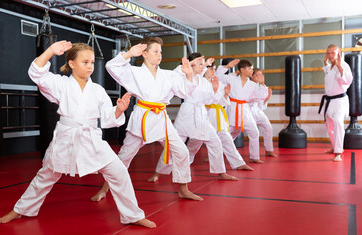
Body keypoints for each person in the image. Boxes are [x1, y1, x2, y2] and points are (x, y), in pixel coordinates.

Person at [0, 41, 156, 228]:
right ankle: (21, 210)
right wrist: (50, 51)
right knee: (45, 177)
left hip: (92, 139)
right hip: (66, 138)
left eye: (91, 63)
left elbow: (107, 117)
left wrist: (119, 110)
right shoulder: (61, 84)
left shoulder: (97, 90)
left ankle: (133, 215)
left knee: (119, 172)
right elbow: (36, 73)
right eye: (85, 62)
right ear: (72, 64)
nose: (90, 67)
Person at [97, 37, 203, 202]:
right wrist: (129, 54)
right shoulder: (134, 72)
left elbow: (185, 92)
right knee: (125, 156)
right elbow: (111, 66)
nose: (159, 55)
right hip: (143, 117)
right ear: (144, 53)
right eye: (155, 51)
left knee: (181, 151)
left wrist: (189, 75)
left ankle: (183, 189)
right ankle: (104, 189)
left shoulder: (167, 75)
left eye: (160, 51)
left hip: (161, 118)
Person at [148, 54, 240, 183]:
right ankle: (158, 172)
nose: (203, 67)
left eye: (204, 65)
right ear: (192, 65)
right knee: (172, 146)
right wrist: (188, 65)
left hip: (201, 115)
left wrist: (215, 90)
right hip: (186, 115)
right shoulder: (183, 76)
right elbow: (174, 74)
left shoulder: (204, 81)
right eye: (200, 64)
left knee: (215, 142)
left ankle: (221, 172)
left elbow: (211, 100)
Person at [183, 62, 254, 172]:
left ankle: (239, 163)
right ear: (204, 69)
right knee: (194, 143)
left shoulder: (219, 83)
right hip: (204, 115)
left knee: (227, 140)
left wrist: (225, 94)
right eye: (210, 68)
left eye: (214, 69)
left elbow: (221, 101)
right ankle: (184, 162)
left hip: (217, 115)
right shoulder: (199, 82)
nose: (213, 71)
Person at [216, 59, 268, 163]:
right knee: (226, 134)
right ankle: (216, 154)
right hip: (233, 108)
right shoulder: (232, 79)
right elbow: (219, 76)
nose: (251, 71)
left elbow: (261, 96)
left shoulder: (253, 84)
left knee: (254, 132)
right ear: (242, 70)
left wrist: (262, 84)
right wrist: (227, 66)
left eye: (252, 69)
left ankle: (254, 157)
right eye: (249, 69)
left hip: (245, 110)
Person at [319, 44, 353, 161]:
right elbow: (328, 75)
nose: (330, 55)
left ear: (339, 53)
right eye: (328, 53)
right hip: (329, 101)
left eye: (333, 53)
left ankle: (338, 151)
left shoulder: (344, 65)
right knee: (329, 127)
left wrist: (340, 68)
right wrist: (325, 64)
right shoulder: (329, 67)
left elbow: (348, 81)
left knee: (338, 123)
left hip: (339, 101)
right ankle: (334, 147)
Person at [249, 68, 277, 157]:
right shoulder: (247, 85)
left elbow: (261, 105)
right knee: (235, 132)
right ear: (251, 76)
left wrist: (266, 99)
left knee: (268, 127)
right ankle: (224, 148)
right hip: (247, 111)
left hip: (257, 111)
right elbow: (255, 98)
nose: (261, 76)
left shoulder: (261, 86)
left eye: (261, 74)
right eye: (258, 75)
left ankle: (269, 150)